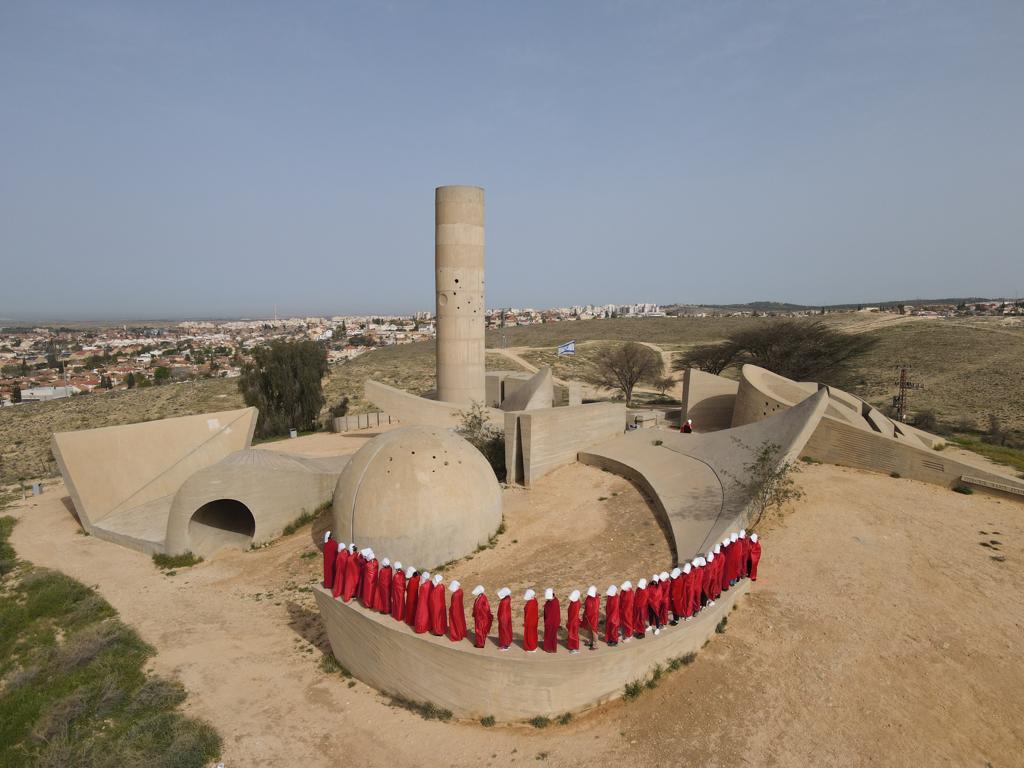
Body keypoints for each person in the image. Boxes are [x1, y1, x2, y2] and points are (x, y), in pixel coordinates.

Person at [542, 588, 560, 653]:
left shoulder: (555, 603)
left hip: (552, 622)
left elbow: (554, 615)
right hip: (549, 621)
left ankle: (551, 648)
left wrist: (547, 622)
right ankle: (548, 647)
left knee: (551, 635)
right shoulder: (551, 601)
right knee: (548, 635)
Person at [583, 585, 600, 650]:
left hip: (593, 617)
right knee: (589, 629)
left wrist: (590, 616)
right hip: (588, 616)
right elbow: (587, 606)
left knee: (594, 630)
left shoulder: (596, 599)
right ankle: (590, 641)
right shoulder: (589, 597)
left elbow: (595, 610)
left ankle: (595, 644)